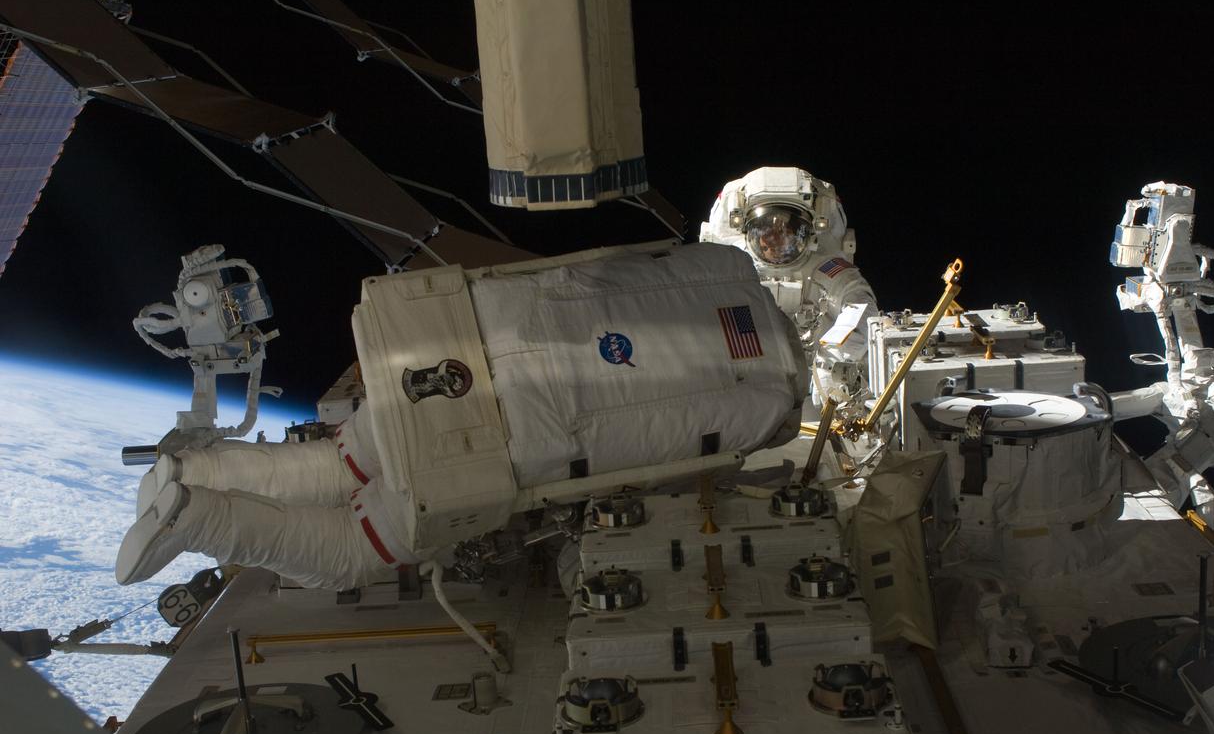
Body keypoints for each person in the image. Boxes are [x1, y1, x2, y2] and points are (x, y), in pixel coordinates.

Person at [118, 242, 807, 592]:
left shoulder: (722, 270)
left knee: (336, 461)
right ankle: (194, 518)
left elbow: (600, 267)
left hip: (443, 348)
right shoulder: (767, 404)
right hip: (496, 443)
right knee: (353, 548)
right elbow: (680, 458)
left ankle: (194, 471)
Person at [701, 167, 879, 405]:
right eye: (764, 228)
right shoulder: (732, 269)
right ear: (749, 232)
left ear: (806, 232)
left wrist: (831, 361)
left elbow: (861, 307)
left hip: (819, 392)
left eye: (785, 229)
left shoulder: (824, 268)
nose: (775, 238)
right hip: (748, 389)